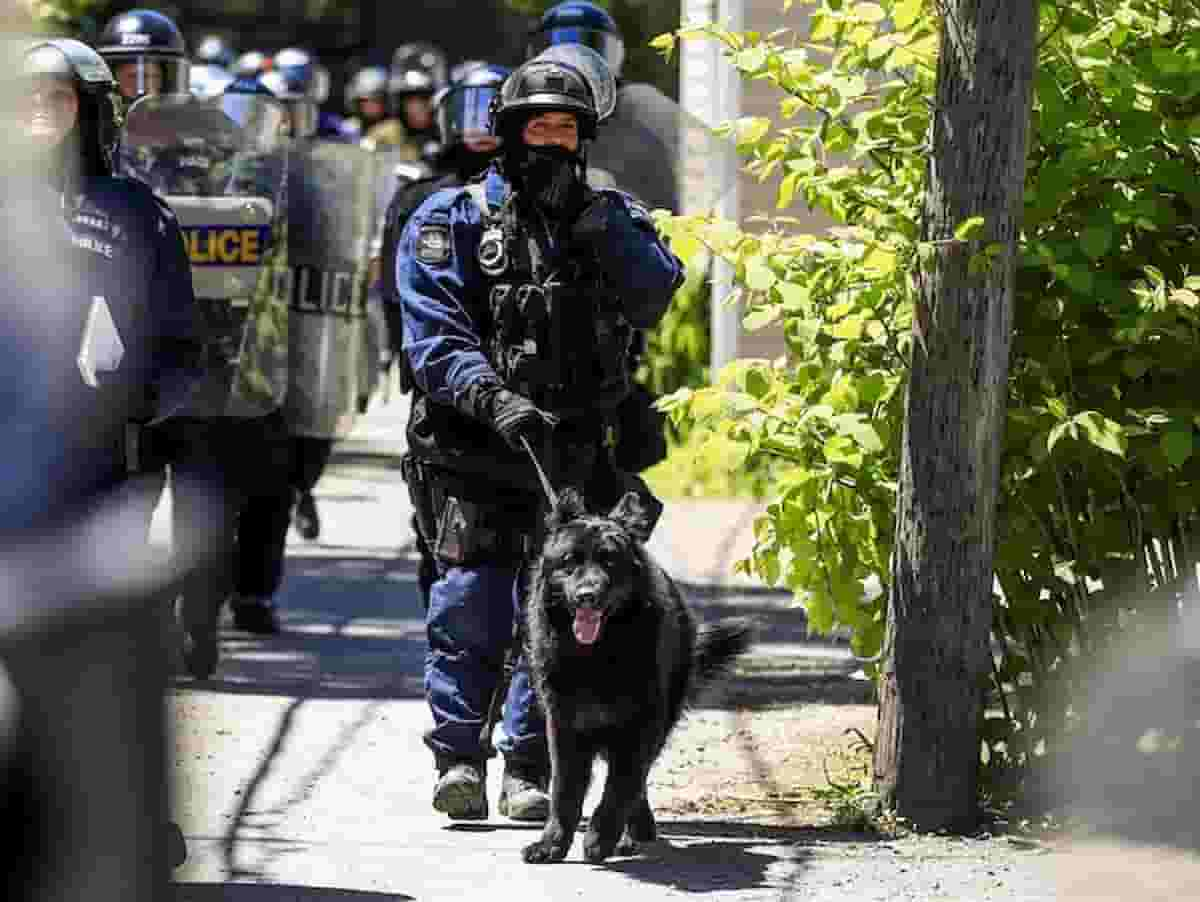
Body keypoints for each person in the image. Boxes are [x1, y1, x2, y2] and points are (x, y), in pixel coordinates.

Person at [394, 47, 684, 822]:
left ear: (581, 138)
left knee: (559, 616)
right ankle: (459, 758)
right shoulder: (449, 218)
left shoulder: (609, 216)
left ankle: (529, 769)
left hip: (573, 455)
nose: (549, 141)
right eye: (536, 126)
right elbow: (431, 330)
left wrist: (605, 232)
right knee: (472, 606)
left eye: (565, 129)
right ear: (509, 131)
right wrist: (487, 395)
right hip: (471, 450)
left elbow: (656, 295)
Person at [2, 37, 204, 893]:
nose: (39, 116)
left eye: (59, 101)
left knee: (101, 647)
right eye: (26, 101)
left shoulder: (135, 213)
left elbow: (176, 337)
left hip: (107, 467)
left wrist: (161, 413)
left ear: (92, 114)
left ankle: (119, 815)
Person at [527, 1, 680, 214]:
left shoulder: (641, 106)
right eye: (562, 53)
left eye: (589, 50)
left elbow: (703, 172)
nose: (578, 66)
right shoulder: (525, 112)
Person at [95, 8, 190, 104]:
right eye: (133, 77)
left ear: (164, 82)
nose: (142, 89)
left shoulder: (178, 118)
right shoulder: (95, 117)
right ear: (114, 80)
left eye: (153, 77)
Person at [388, 42, 445, 161]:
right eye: (409, 100)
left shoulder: (450, 137)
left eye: (424, 98)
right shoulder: (383, 138)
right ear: (399, 103)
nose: (416, 107)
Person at [345, 63, 408, 153]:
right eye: (364, 100)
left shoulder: (392, 127)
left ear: (385, 101)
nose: (369, 105)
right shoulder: (352, 124)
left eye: (375, 100)